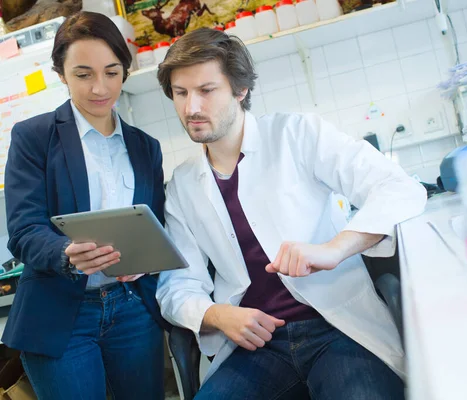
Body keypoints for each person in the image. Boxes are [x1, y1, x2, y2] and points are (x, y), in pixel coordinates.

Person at [156, 28, 426, 399]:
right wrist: (217, 315)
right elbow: (176, 285)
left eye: (206, 90)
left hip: (337, 329)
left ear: (240, 90)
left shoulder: (298, 134)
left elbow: (400, 188)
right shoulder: (183, 185)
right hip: (254, 346)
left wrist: (334, 248)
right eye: (181, 93)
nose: (192, 108)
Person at [2, 11, 168, 400]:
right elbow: (24, 230)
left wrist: (147, 257)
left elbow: (155, 224)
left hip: (132, 310)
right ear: (61, 73)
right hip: (60, 314)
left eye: (111, 72)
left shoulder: (146, 147)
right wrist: (65, 253)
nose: (100, 87)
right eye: (83, 74)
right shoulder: (34, 137)